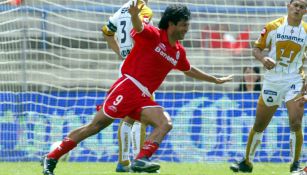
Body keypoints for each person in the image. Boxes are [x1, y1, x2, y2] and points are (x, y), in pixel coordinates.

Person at [41, 2, 233, 175]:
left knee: (165, 123)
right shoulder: (153, 35)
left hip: (143, 97)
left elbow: (188, 69)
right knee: (95, 127)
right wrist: (134, 15)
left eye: (187, 25)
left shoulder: (178, 51)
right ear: (172, 24)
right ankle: (52, 157)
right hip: (127, 88)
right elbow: (139, 28)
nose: (187, 29)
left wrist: (214, 79)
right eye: (184, 24)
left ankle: (141, 159)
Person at [230, 0, 307, 173]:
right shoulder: (273, 26)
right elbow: (256, 49)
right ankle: (247, 162)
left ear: (305, 11)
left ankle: (295, 165)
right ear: (288, 6)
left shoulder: (306, 30)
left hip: (294, 80)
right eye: (295, 5)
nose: (298, 9)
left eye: (302, 7)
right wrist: (263, 59)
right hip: (272, 81)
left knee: (296, 122)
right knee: (260, 124)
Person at [101, 0, 153, 172]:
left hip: (125, 66)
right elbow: (140, 31)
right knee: (142, 114)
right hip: (139, 66)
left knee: (129, 114)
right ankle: (139, 161)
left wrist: (120, 53)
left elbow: (106, 32)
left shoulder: (120, 10)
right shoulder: (144, 10)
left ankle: (124, 162)